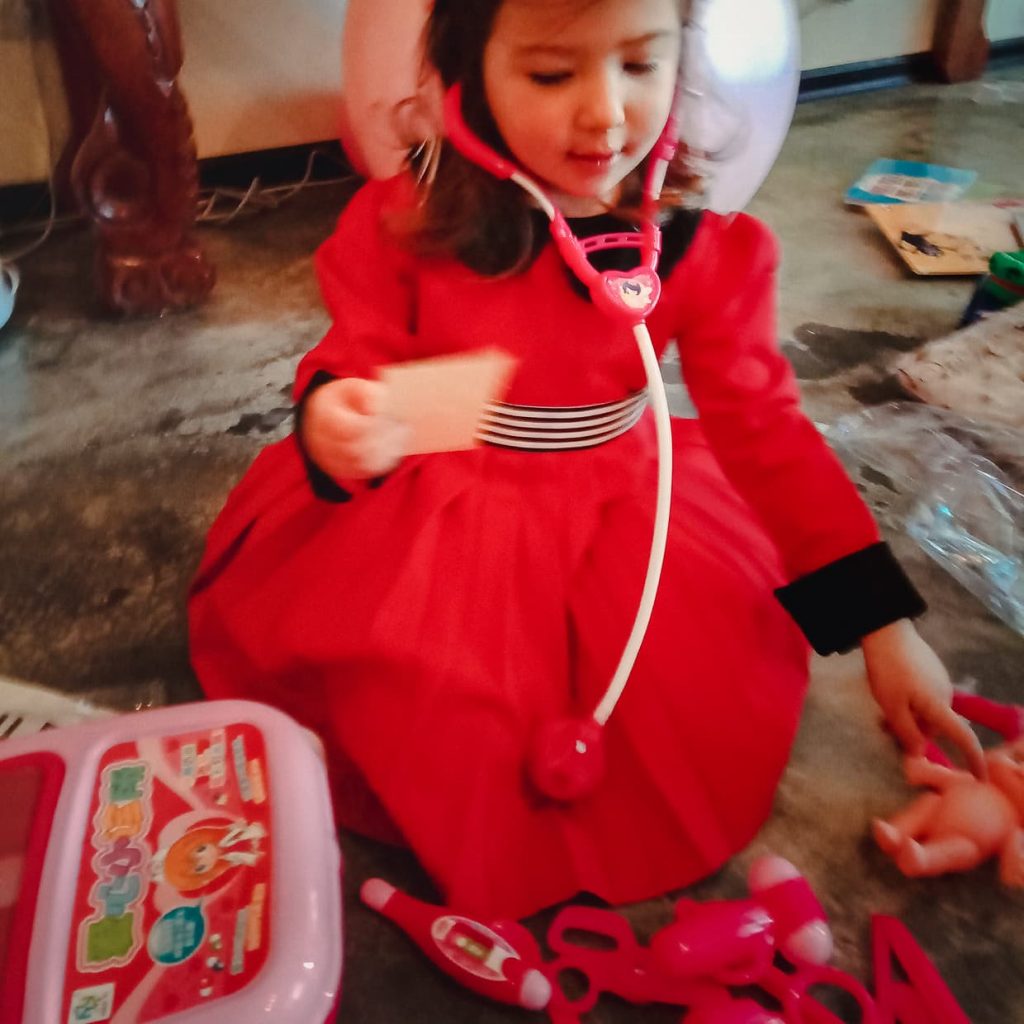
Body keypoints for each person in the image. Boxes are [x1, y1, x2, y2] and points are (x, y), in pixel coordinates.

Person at [189, 0, 984, 919]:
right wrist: (337, 417)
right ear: (467, 72)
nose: (605, 113)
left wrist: (884, 627)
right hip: (437, 506)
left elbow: (765, 436)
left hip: (630, 512)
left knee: (679, 714)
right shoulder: (403, 223)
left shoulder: (702, 248)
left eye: (640, 66)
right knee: (429, 707)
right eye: (553, 74)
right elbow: (353, 354)